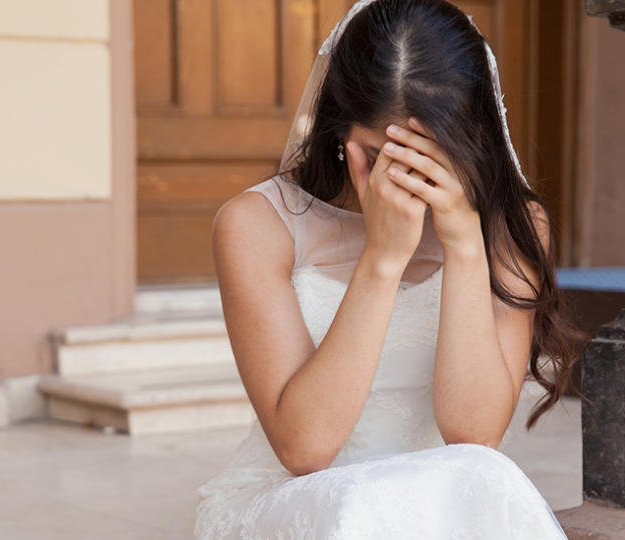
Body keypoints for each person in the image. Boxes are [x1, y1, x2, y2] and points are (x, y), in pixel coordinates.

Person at [196, 0, 589, 537]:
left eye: (432, 157)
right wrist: (382, 258)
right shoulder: (257, 225)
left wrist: (464, 245)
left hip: (440, 500)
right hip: (308, 501)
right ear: (340, 131)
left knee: (490, 483)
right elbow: (304, 448)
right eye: (381, 153)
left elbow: (473, 438)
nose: (405, 180)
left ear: (473, 139)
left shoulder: (513, 226)